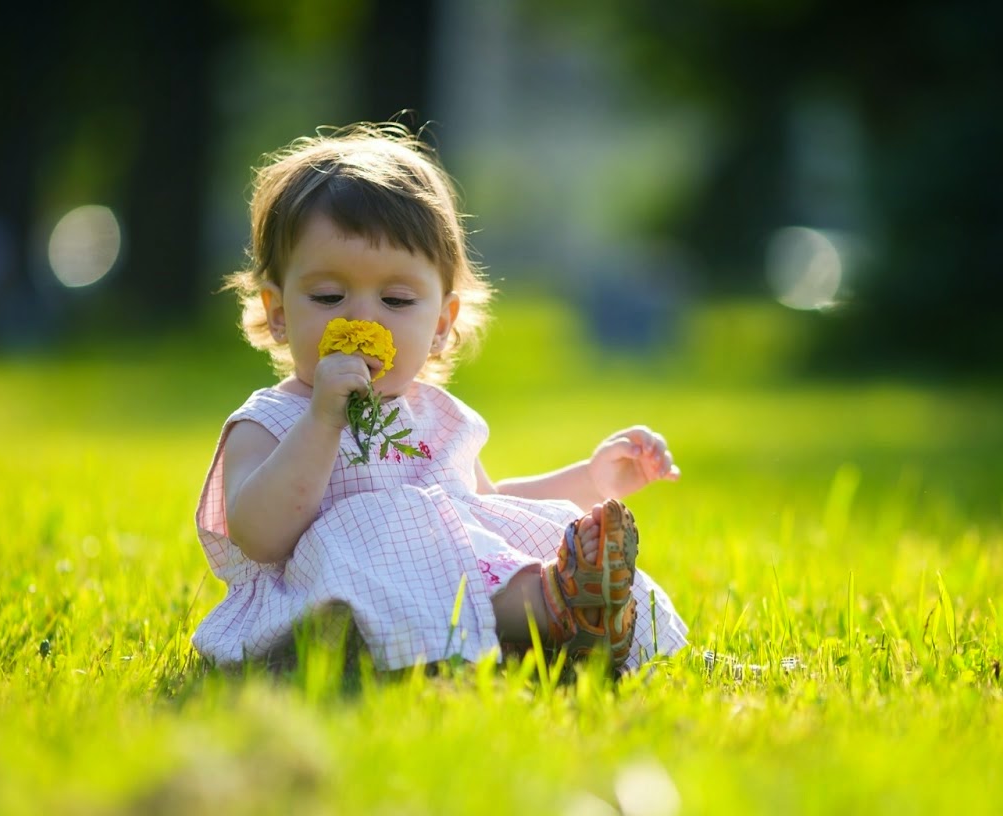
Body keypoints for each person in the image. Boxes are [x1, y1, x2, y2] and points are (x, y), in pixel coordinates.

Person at [193, 123, 688, 677]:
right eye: (329, 296)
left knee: (497, 529)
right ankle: (555, 610)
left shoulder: (437, 417)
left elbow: (485, 503)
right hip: (338, 606)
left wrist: (593, 479)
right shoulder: (269, 423)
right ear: (280, 313)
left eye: (397, 298)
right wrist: (322, 420)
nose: (363, 316)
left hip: (449, 580)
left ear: (441, 324)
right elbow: (259, 537)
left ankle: (575, 611)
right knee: (394, 527)